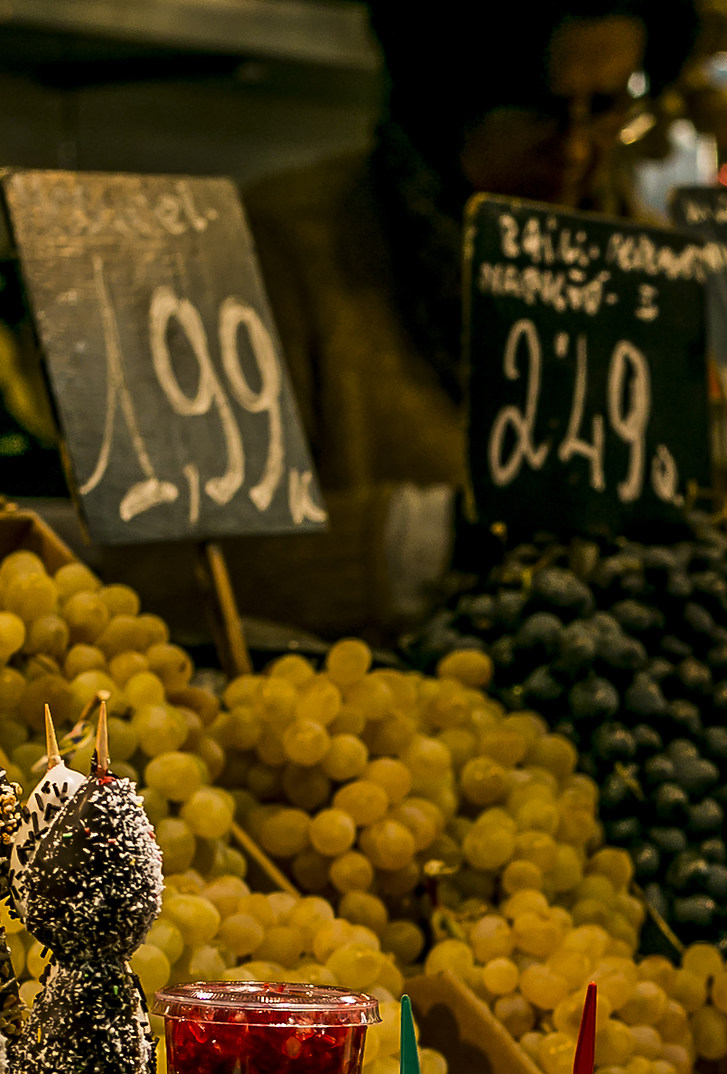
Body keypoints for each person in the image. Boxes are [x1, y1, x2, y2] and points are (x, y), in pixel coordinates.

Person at [225, 2, 699, 636]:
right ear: (445, 98)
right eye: (536, 111)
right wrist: (438, 540)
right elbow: (209, 562)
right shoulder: (290, 245)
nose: (577, 147)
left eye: (609, 107)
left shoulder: (644, 254)